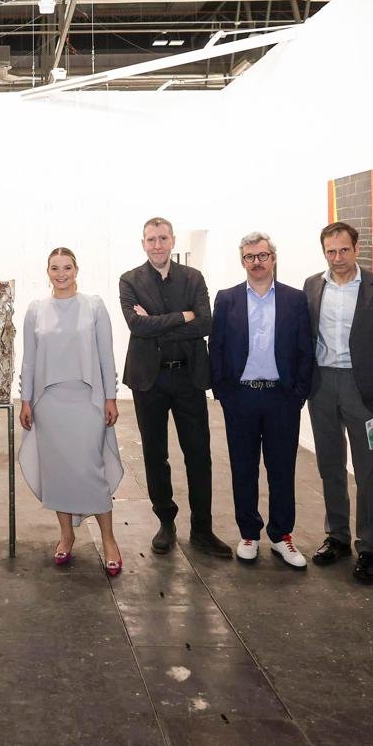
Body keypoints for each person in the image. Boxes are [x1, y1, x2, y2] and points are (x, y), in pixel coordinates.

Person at [119, 218, 230, 559]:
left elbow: (206, 323)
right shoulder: (130, 280)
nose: (157, 245)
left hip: (188, 378)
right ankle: (166, 523)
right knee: (155, 454)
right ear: (143, 243)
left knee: (198, 454)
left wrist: (156, 325)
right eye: (151, 239)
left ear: (172, 240)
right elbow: (136, 326)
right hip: (148, 381)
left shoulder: (193, 277)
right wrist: (184, 316)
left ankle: (202, 529)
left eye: (163, 238)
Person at [210, 232, 315, 568]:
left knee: (282, 469)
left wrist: (298, 394)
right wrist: (223, 392)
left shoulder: (294, 299)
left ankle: (282, 535)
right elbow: (217, 347)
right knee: (243, 468)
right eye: (249, 257)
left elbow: (305, 349)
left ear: (273, 258)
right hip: (240, 397)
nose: (256, 262)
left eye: (262, 255)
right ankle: (249, 534)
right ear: (242, 261)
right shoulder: (227, 299)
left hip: (281, 399)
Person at [304, 222, 373, 584]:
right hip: (322, 387)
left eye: (344, 249)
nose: (338, 257)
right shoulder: (312, 286)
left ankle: (370, 548)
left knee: (371, 470)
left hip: (367, 394)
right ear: (323, 252)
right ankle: (338, 537)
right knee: (329, 464)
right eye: (331, 251)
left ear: (356, 248)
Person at [20, 248, 125, 576]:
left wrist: (111, 397)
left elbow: (106, 355)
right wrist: (25, 400)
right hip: (49, 404)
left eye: (67, 267)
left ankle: (109, 539)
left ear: (76, 270)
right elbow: (29, 359)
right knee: (58, 473)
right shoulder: (36, 310)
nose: (61, 274)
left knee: (91, 470)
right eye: (55, 268)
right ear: (47, 271)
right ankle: (66, 536)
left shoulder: (94, 306)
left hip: (88, 401)